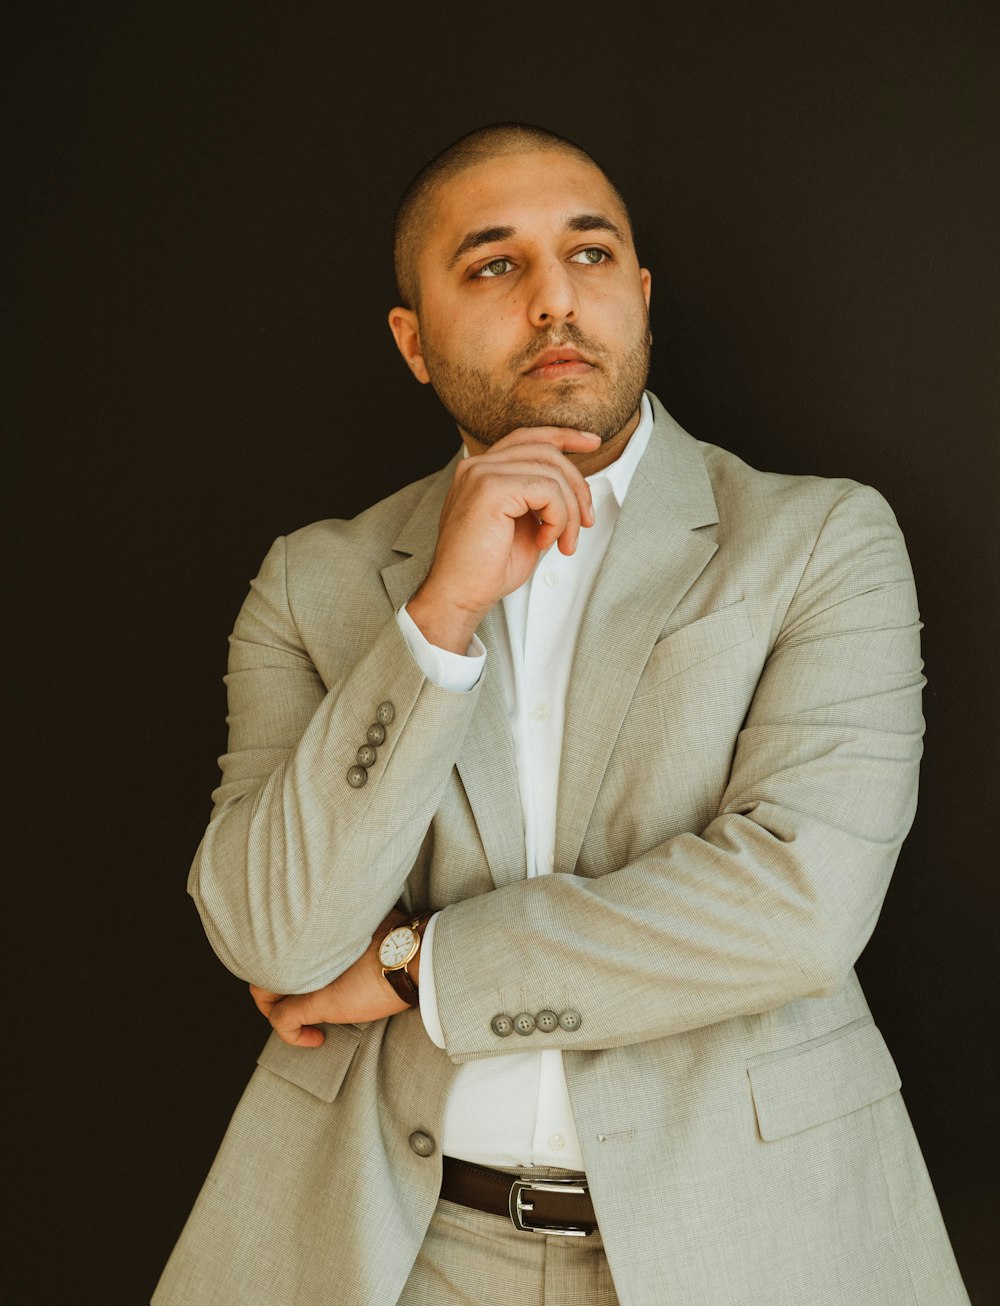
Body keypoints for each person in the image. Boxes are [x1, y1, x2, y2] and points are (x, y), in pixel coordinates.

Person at [154, 124, 969, 1305]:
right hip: (389, 1243)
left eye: (589, 256)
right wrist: (437, 617)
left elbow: (798, 904)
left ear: (638, 295)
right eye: (491, 266)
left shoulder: (819, 541)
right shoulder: (315, 582)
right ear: (412, 341)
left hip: (753, 1235)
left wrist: (414, 963)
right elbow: (274, 935)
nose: (553, 300)